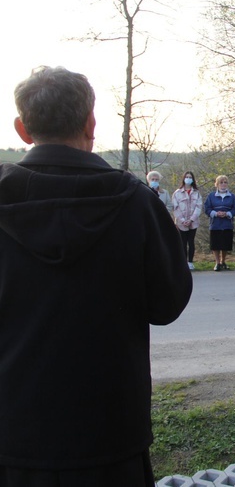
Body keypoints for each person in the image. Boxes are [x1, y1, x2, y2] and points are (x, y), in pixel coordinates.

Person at [0, 66, 192, 486]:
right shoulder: (136, 202)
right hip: (110, 427)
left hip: (14, 426)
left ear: (22, 129)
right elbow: (167, 303)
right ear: (90, 123)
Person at [204, 175, 235, 271]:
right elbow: (207, 209)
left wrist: (227, 214)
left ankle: (223, 261)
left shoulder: (232, 196)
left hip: (227, 224)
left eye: (225, 182)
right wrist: (216, 213)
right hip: (215, 224)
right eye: (221, 182)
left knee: (225, 244)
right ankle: (217, 263)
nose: (223, 184)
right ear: (217, 184)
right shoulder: (211, 196)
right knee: (215, 244)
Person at [172, 170, 202, 270]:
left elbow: (198, 207)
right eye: (186, 177)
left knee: (191, 242)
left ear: (193, 179)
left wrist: (191, 220)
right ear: (183, 178)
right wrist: (182, 220)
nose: (188, 179)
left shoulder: (196, 193)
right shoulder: (177, 193)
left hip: (193, 222)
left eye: (190, 177)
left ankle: (190, 262)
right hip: (181, 223)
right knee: (183, 243)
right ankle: (183, 262)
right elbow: (175, 208)